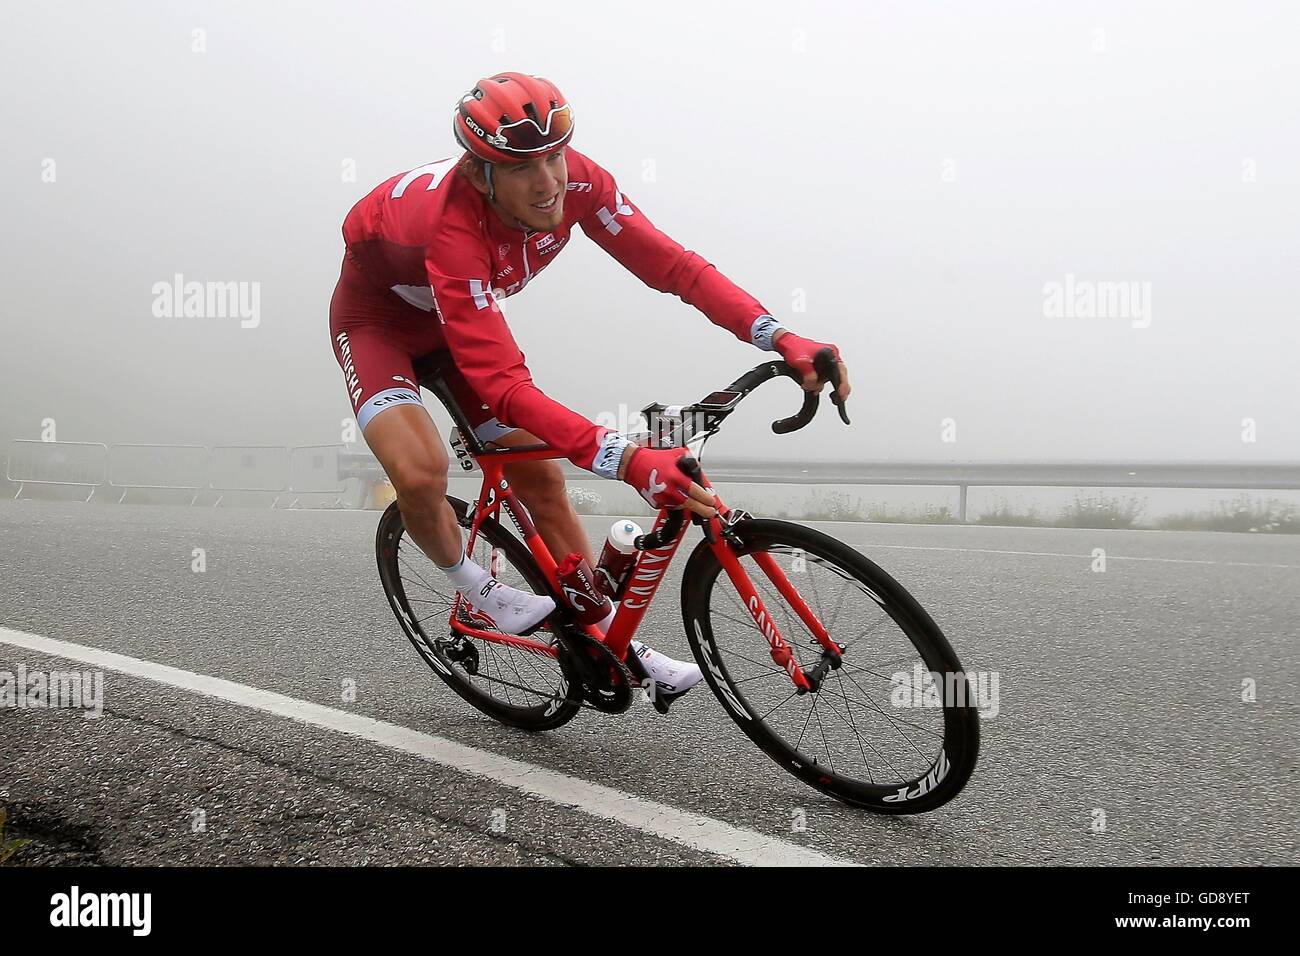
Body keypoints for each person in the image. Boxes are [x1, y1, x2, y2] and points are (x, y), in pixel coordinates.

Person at [330, 72, 850, 701]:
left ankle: (611, 639)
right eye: (521, 166)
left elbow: (672, 266)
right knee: (420, 474)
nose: (547, 181)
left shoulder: (580, 182)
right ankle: (477, 587)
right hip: (378, 323)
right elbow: (501, 385)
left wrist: (778, 336)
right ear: (478, 174)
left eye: (554, 154)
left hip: (456, 320)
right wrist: (628, 460)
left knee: (542, 478)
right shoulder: (452, 230)